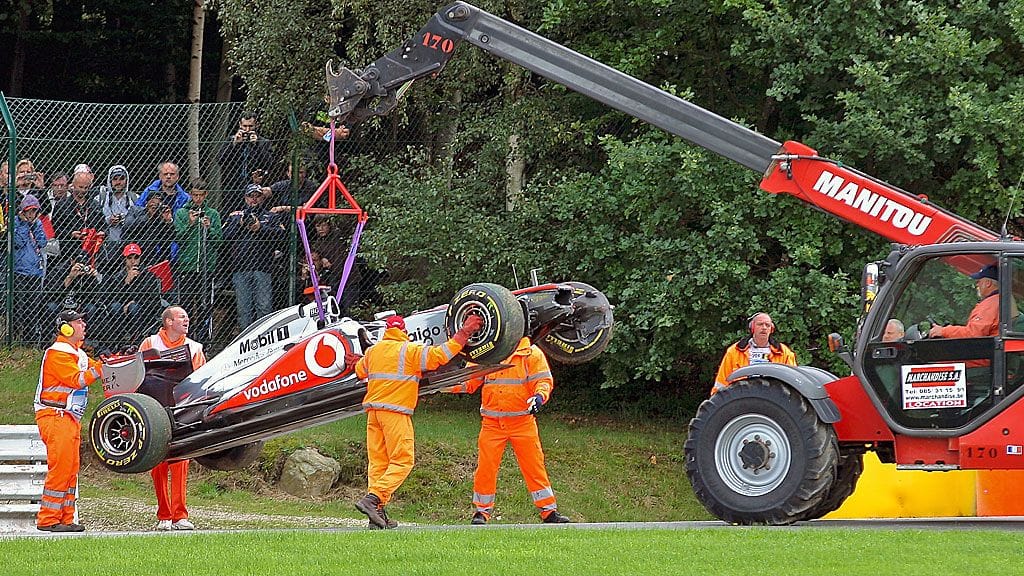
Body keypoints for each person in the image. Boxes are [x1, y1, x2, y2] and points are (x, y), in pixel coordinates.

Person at [349, 313, 484, 529]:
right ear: (404, 332)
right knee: (403, 461)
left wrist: (359, 360)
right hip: (395, 412)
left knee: (378, 464)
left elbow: (359, 370)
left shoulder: (374, 351)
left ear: (386, 332)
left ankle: (376, 516)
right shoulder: (410, 350)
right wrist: (464, 333)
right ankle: (373, 500)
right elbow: (441, 355)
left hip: (373, 414)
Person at [446, 336, 571, 525]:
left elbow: (543, 380)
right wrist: (442, 384)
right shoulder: (487, 353)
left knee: (534, 467)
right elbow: (468, 382)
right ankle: (482, 512)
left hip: (522, 422)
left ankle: (548, 511)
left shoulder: (531, 353)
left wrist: (539, 397)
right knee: (486, 468)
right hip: (492, 423)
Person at [138, 306, 206, 531]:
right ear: (168, 322)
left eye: (187, 317)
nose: (187, 320)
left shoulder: (195, 348)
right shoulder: (149, 343)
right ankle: (164, 515)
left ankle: (180, 515)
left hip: (181, 412)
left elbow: (201, 380)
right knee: (158, 464)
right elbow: (138, 374)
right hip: (155, 411)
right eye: (181, 317)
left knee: (181, 463)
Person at [34, 310, 103, 532]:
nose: (84, 324)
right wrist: (101, 368)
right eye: (78, 321)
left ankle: (65, 518)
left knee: (71, 469)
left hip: (67, 417)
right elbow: (77, 379)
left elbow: (94, 368)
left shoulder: (78, 354)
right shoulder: (58, 353)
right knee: (61, 468)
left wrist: (112, 361)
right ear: (66, 328)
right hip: (55, 415)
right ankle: (48, 519)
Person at [222, 184, 285, 331]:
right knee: (244, 309)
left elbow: (282, 236)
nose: (254, 199)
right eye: (251, 196)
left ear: (262, 198)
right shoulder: (235, 216)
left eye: (257, 196)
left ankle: (264, 337)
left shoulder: (271, 216)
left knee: (264, 306)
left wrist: (260, 228)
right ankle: (246, 339)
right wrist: (240, 224)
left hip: (263, 268)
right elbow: (223, 237)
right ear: (245, 198)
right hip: (240, 268)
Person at [711, 312, 797, 395]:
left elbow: (794, 385)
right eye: (760, 324)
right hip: (742, 399)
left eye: (767, 325)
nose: (764, 328)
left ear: (771, 329)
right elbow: (721, 384)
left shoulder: (784, 353)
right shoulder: (734, 352)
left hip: (774, 401)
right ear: (752, 327)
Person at [173, 179, 222, 322]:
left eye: (201, 195)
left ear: (206, 194)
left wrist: (209, 228)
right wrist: (190, 224)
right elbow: (178, 239)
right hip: (187, 266)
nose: (198, 198)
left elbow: (219, 242)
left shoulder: (213, 214)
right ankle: (184, 338)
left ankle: (203, 339)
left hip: (207, 267)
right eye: (195, 195)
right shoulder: (182, 213)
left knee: (205, 306)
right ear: (190, 194)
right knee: (186, 306)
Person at [107, 243, 164, 346]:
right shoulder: (117, 275)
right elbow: (112, 297)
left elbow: (153, 299)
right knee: (115, 307)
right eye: (130, 258)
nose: (133, 261)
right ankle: (120, 339)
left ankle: (137, 339)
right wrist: (127, 281)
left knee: (134, 307)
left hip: (142, 309)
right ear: (125, 259)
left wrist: (133, 302)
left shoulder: (147, 275)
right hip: (121, 309)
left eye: (136, 257)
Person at [219, 111, 274, 211]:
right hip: (232, 185)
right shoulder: (231, 140)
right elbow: (221, 160)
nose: (247, 130)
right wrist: (234, 144)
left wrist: (256, 145)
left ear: (256, 125)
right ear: (240, 125)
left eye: (250, 126)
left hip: (254, 186)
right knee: (231, 213)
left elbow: (268, 163)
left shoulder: (263, 142)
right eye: (244, 126)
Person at [929, 265, 1001, 338]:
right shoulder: (998, 301)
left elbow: (973, 334)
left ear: (988, 283)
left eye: (979, 281)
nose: (977, 284)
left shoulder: (989, 305)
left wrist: (943, 331)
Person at [13, 195, 48, 342]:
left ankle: (30, 339)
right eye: (28, 211)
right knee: (19, 307)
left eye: (34, 211)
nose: (31, 214)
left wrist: (34, 225)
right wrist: (24, 224)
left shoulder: (38, 223)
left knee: (32, 307)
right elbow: (18, 242)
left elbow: (42, 242)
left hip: (35, 271)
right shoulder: (16, 223)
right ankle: (16, 336)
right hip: (20, 271)